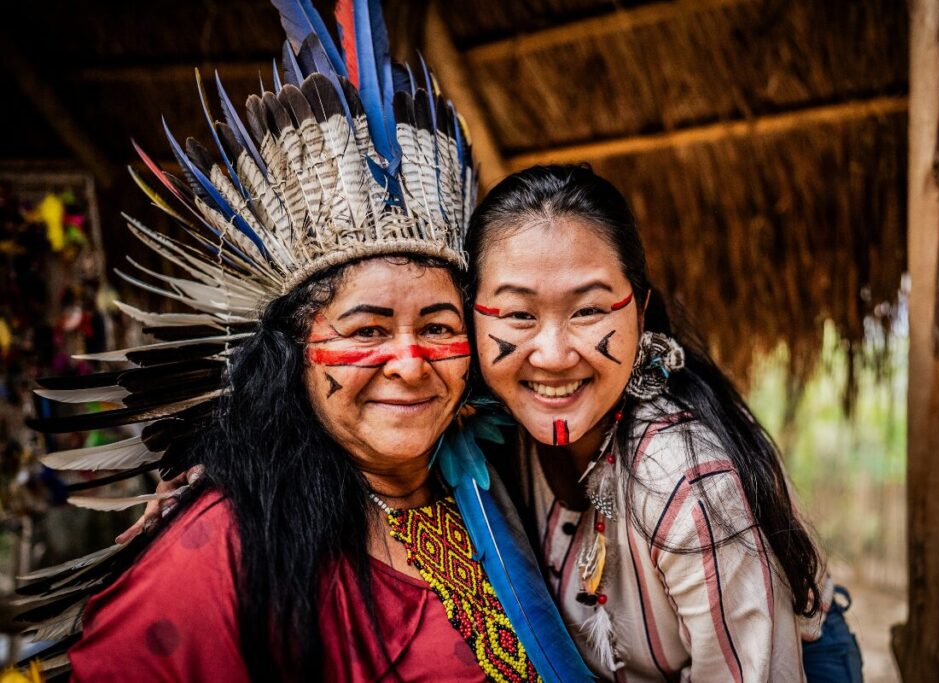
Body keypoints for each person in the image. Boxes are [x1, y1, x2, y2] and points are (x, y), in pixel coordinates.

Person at [17, 3, 591, 681]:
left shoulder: (498, 471)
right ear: (293, 353)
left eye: (439, 327)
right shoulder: (221, 547)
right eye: (367, 330)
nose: (410, 364)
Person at [465, 164, 864, 682]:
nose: (554, 355)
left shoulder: (688, 478)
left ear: (640, 312)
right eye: (519, 315)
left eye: (588, 311)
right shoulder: (489, 433)